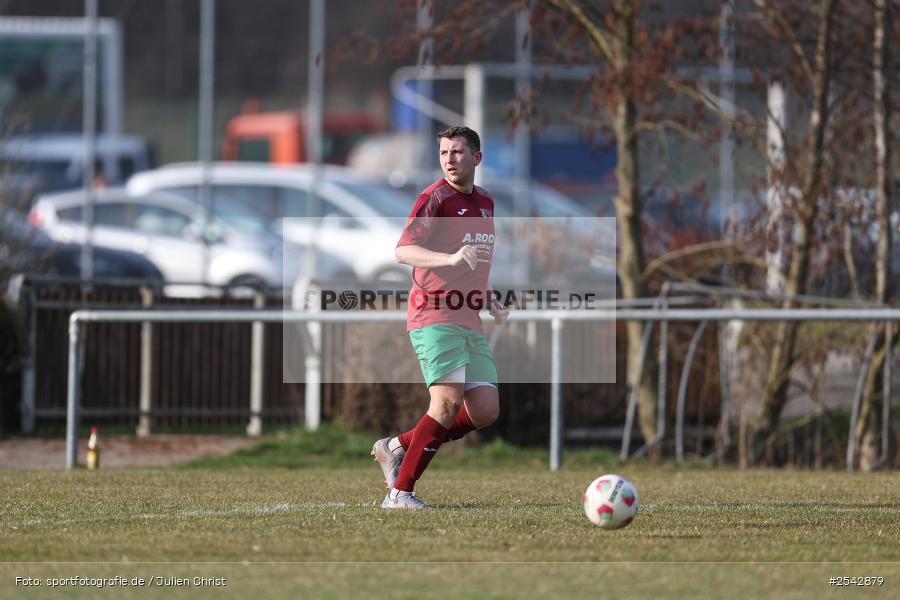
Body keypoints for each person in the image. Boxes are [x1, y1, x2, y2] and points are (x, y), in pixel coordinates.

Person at [371, 126, 509, 509]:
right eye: (445, 152)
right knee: (446, 402)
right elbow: (404, 251)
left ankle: (396, 446)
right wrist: (447, 259)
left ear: (477, 158)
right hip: (434, 313)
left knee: (484, 410)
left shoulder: (485, 202)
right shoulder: (434, 199)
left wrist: (489, 297)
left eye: (458, 152)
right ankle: (400, 493)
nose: (450, 159)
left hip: (468, 316)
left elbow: (476, 261)